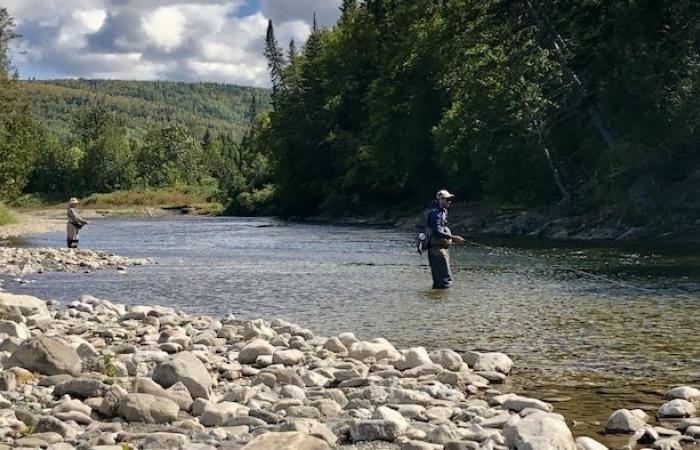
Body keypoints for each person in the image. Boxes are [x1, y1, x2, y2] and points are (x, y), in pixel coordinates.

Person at [425, 189, 464, 289]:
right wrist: (453, 237)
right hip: (436, 249)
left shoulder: (440, 212)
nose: (449, 201)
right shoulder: (436, 213)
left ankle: (438, 300)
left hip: (440, 248)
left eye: (450, 199)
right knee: (444, 281)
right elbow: (437, 232)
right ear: (440, 200)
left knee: (441, 280)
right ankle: (441, 302)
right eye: (447, 199)